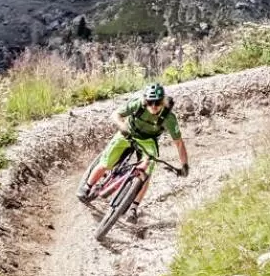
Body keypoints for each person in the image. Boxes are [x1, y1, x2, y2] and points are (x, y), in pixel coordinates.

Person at [77, 84, 190, 219]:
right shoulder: (138, 104)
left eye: (158, 102)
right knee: (106, 163)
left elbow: (179, 143)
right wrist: (122, 127)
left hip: (148, 141)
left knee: (146, 174)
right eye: (150, 102)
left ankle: (134, 208)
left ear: (164, 101)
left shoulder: (169, 118)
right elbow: (115, 115)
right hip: (128, 133)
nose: (153, 106)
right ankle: (88, 186)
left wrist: (184, 165)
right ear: (145, 100)